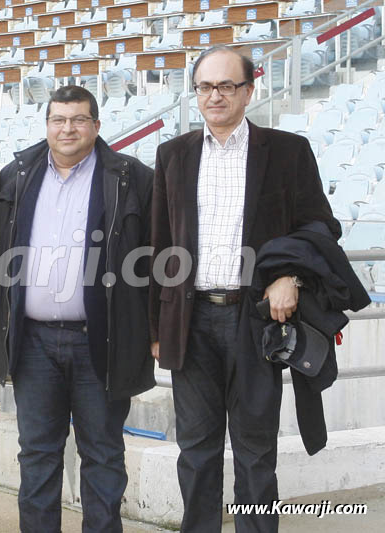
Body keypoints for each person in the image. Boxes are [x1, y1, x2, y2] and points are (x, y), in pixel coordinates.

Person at [149, 45, 341, 532]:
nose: (215, 96)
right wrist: (157, 328)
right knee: (195, 451)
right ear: (195, 94)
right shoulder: (173, 154)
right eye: (205, 87)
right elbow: (158, 246)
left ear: (249, 90)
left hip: (256, 321)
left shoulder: (287, 152)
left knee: (256, 451)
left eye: (226, 86)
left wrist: (289, 275)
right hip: (190, 323)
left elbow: (321, 226)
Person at [0, 85, 155, 532]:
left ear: (96, 126)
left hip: (100, 341)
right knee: (37, 454)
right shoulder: (16, 176)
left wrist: (153, 330)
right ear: (46, 126)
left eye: (78, 119)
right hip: (34, 342)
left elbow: (157, 260)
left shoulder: (130, 178)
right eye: (58, 119)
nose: (68, 128)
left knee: (102, 454)